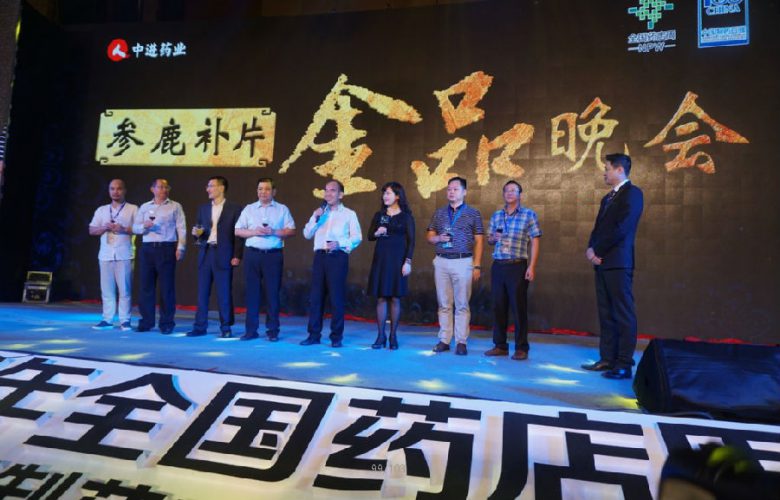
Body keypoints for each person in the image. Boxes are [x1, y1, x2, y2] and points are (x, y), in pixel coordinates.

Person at [582, 153, 644, 379]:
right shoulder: (607, 198)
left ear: (619, 170)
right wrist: (591, 249)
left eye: (607, 168)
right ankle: (607, 358)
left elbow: (622, 228)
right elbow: (598, 228)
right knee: (606, 312)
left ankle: (624, 363)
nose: (604, 173)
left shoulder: (633, 193)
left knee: (623, 313)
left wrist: (598, 250)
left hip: (618, 262)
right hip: (601, 263)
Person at [484, 180, 541, 360]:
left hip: (517, 266)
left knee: (518, 307)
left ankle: (521, 347)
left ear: (520, 195)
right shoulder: (496, 215)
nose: (509, 193)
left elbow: (535, 241)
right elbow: (489, 240)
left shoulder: (528, 214)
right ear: (503, 194)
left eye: (513, 190)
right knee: (498, 307)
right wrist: (493, 237)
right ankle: (500, 345)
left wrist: (532, 266)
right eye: (506, 190)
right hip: (498, 265)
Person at [426, 176, 484, 355]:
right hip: (442, 260)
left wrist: (477, 265)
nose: (451, 192)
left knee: (462, 304)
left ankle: (461, 341)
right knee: (444, 303)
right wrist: (438, 238)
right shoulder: (439, 213)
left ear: (464, 192)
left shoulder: (473, 213)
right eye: (449, 189)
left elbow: (479, 240)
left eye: (455, 189)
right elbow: (429, 236)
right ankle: (444, 340)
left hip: (463, 261)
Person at [301, 180, 362, 348]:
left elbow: (357, 237)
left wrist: (340, 243)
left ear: (341, 194)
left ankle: (336, 337)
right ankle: (313, 335)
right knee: (316, 298)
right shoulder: (320, 213)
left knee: (336, 299)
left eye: (332, 190)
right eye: (326, 190)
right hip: (320, 257)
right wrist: (315, 217)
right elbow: (307, 234)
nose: (328, 193)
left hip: (337, 257)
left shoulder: (349, 214)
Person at [234, 177, 296, 341]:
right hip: (252, 255)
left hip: (273, 256)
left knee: (272, 294)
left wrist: (274, 232)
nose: (263, 192)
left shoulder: (282, 209)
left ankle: (273, 331)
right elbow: (238, 230)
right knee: (252, 293)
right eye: (260, 189)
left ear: (274, 192)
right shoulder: (249, 209)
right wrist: (254, 232)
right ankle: (251, 330)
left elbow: (291, 231)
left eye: (267, 189)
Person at [186, 176, 244, 338]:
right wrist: (196, 234)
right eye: (208, 186)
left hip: (224, 254)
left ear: (221, 188)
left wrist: (237, 255)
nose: (208, 189)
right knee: (202, 293)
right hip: (206, 253)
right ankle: (199, 326)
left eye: (211, 186)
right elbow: (198, 231)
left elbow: (238, 235)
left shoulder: (234, 208)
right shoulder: (203, 209)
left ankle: (225, 327)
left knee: (224, 293)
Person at [132, 178, 186, 334]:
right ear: (152, 189)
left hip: (166, 248)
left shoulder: (175, 206)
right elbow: (135, 228)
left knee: (167, 288)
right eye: (160, 187)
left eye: (166, 187)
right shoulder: (145, 207)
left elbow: (181, 228)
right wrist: (144, 226)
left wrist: (181, 247)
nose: (164, 190)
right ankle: (146, 322)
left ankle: (167, 323)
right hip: (148, 248)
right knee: (146, 287)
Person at [366, 181, 415, 350]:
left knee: (395, 297)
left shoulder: (406, 217)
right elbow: (369, 236)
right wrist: (376, 232)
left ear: (397, 196)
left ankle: (393, 336)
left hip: (398, 261)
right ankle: (381, 336)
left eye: (388, 193)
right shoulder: (379, 215)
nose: (385, 196)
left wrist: (407, 262)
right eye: (384, 193)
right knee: (381, 297)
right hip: (381, 259)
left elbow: (411, 242)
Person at [88, 179, 138, 331]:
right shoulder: (102, 210)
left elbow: (139, 229)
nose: (115, 192)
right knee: (107, 290)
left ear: (124, 190)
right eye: (112, 189)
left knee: (125, 290)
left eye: (119, 188)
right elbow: (91, 230)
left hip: (124, 254)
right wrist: (105, 227)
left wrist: (123, 229)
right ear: (109, 191)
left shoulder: (133, 209)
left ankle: (125, 320)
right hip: (105, 254)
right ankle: (107, 319)